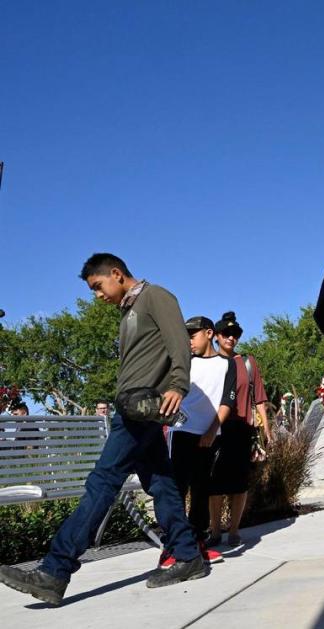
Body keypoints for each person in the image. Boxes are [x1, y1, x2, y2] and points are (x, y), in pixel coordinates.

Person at [0, 253, 206, 606]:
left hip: (141, 410)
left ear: (116, 273)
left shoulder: (156, 296)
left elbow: (178, 345)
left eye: (98, 287)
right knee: (160, 483)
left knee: (102, 481)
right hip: (132, 408)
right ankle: (188, 556)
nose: (98, 295)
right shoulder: (129, 311)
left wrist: (178, 387)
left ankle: (54, 570)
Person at [162, 316, 236, 567]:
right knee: (177, 490)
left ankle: (197, 543)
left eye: (192, 336)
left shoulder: (228, 364)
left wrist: (212, 430)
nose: (189, 341)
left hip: (208, 436)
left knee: (202, 490)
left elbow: (227, 401)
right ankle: (172, 546)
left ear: (208, 333)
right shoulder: (185, 364)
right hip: (181, 432)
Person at [209, 311, 272, 548]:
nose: (231, 338)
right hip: (215, 428)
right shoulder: (209, 363)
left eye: (235, 334)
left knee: (239, 483)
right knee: (214, 483)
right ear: (215, 336)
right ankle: (215, 530)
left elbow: (259, 399)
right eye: (226, 333)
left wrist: (266, 428)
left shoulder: (246, 362)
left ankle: (234, 529)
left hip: (242, 428)